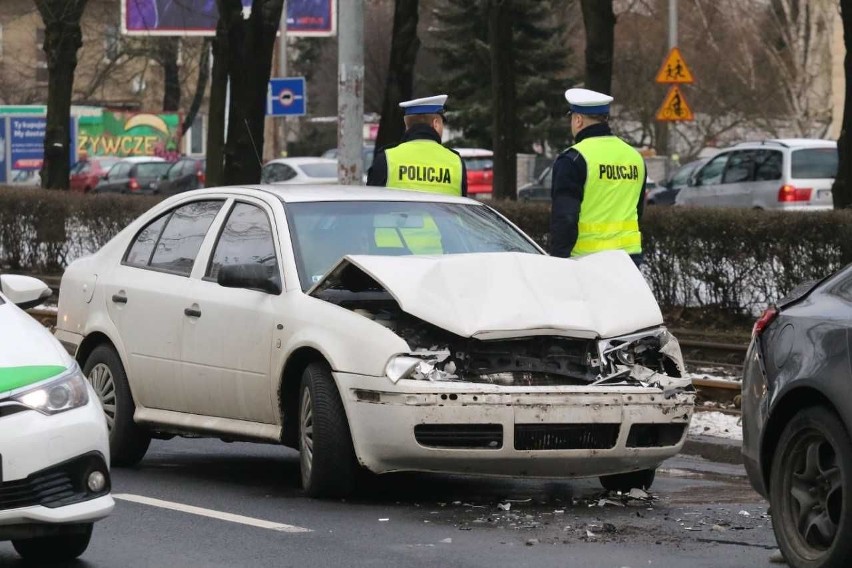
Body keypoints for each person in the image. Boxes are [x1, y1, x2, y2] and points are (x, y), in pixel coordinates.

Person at [549, 88, 646, 266]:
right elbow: (638, 212)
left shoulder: (573, 159)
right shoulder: (634, 157)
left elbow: (565, 219)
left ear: (578, 120)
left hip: (587, 262)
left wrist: (558, 263)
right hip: (629, 261)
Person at [367, 94, 467, 197]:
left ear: (407, 126)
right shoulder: (455, 161)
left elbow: (371, 204)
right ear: (436, 123)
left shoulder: (387, 158)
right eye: (442, 123)